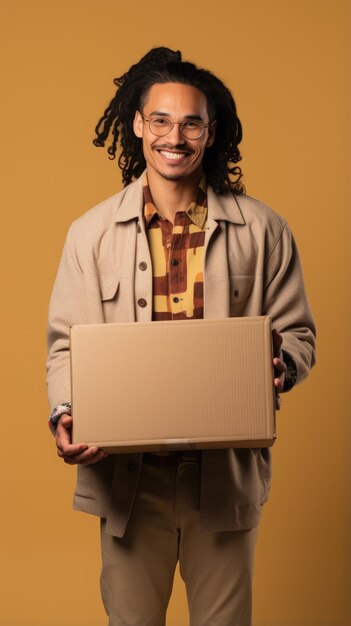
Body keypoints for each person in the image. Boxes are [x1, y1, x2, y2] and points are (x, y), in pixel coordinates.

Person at [46, 47, 316, 626]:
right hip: (126, 478)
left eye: (192, 122)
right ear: (139, 125)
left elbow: (297, 335)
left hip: (222, 481)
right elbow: (66, 344)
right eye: (161, 120)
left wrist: (281, 366)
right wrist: (66, 411)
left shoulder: (263, 231)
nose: (176, 136)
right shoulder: (89, 235)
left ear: (210, 133)